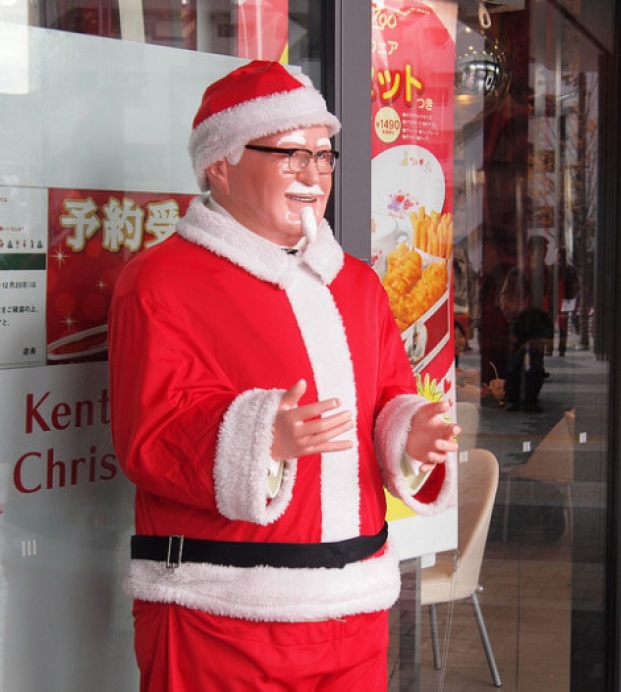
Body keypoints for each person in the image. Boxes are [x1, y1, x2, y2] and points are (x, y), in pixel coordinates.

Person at [107, 61, 459, 692]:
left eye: (324, 157)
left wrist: (410, 433)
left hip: (354, 608)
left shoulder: (358, 283)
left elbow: (387, 397)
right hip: (218, 610)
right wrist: (263, 437)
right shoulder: (160, 282)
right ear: (221, 164)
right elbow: (149, 436)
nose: (313, 176)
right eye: (291, 155)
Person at [499, 267, 553, 412]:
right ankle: (520, 399)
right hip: (523, 327)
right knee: (519, 366)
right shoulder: (517, 294)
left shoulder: (529, 293)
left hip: (530, 327)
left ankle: (523, 399)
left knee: (528, 366)